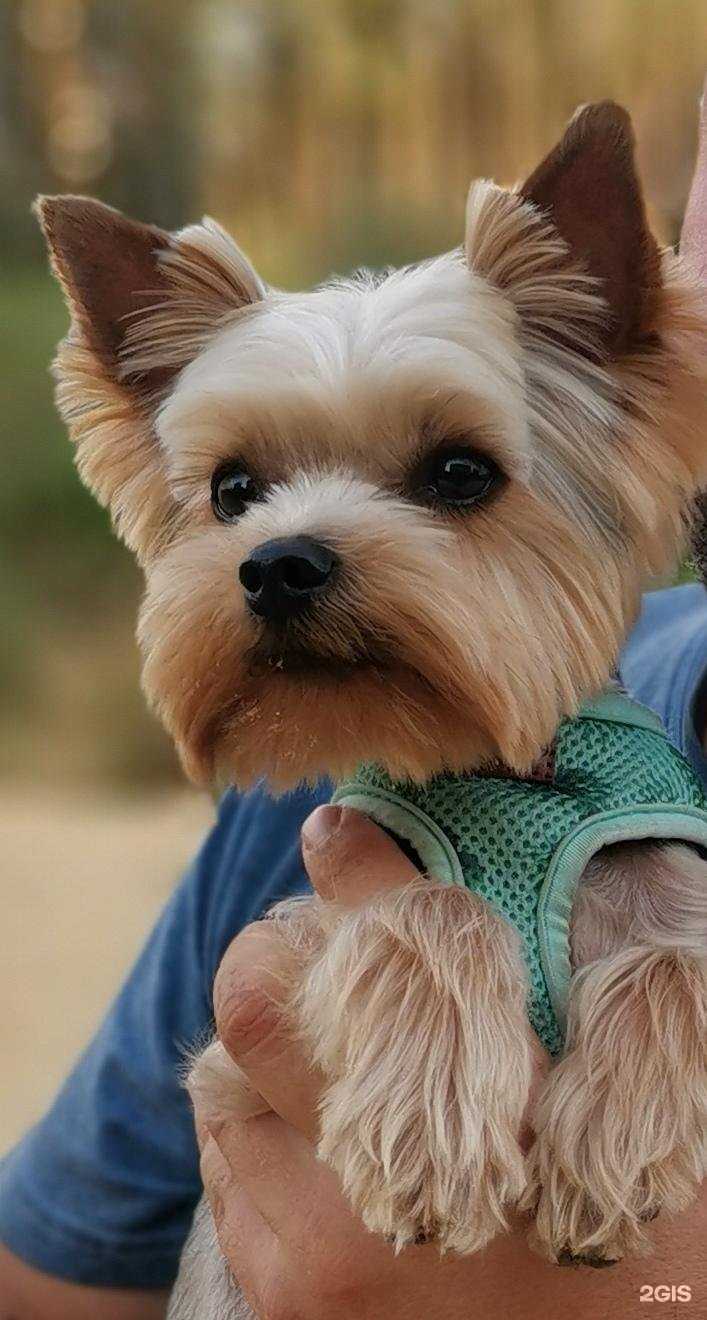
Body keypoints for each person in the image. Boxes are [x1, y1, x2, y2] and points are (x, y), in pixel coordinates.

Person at [1, 583, 706, 1319]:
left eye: (458, 507)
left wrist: (663, 1300)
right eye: (232, 511)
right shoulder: (348, 706)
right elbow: (40, 1292)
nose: (283, 560)